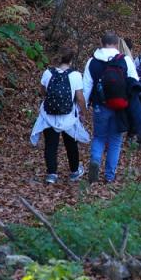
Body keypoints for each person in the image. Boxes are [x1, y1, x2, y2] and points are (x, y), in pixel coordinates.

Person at [83, 32, 139, 183]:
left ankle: (95, 161)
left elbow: (86, 87)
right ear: (117, 44)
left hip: (100, 106)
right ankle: (109, 176)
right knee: (115, 140)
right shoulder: (125, 60)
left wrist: (85, 106)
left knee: (99, 137)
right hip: (120, 106)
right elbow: (135, 81)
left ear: (101, 42)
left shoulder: (92, 62)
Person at [30, 47, 90, 184]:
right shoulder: (75, 75)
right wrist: (83, 113)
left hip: (49, 115)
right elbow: (80, 98)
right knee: (71, 144)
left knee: (51, 145)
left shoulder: (47, 73)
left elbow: (42, 91)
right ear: (71, 60)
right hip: (68, 117)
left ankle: (51, 174)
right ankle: (74, 171)